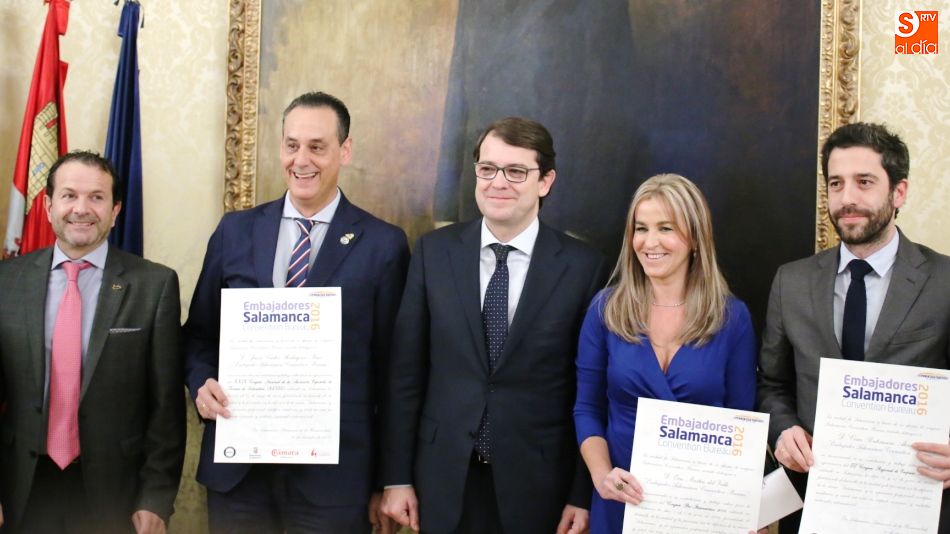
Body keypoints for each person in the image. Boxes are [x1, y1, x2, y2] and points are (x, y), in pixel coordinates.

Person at [184, 92, 409, 533]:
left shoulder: (384, 246)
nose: (301, 159)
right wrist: (200, 383)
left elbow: (394, 373)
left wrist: (388, 480)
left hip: (335, 481)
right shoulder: (235, 231)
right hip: (240, 475)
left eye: (317, 146)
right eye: (291, 145)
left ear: (345, 151)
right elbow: (198, 335)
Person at [380, 117, 608, 533]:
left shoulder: (583, 267)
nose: (497, 182)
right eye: (487, 169)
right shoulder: (434, 253)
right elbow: (405, 375)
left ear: (546, 181)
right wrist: (397, 477)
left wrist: (581, 492)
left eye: (516, 171)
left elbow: (589, 391)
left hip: (539, 488)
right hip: (442, 479)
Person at [758, 122, 950, 531]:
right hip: (815, 505)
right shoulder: (790, 282)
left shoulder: (945, 281)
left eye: (864, 182)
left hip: (915, 506)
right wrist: (783, 429)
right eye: (836, 183)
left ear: (899, 192)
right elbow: (771, 384)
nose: (847, 199)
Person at [0, 151, 185, 533]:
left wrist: (156, 497)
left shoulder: (154, 286)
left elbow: (165, 408)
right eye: (69, 196)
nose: (81, 209)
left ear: (115, 210)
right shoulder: (7, 282)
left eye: (96, 197)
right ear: (49, 205)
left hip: (114, 494)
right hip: (22, 486)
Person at [573, 173, 758, 533]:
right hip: (621, 501)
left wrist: (744, 508)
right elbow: (587, 408)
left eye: (666, 228)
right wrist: (601, 474)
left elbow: (743, 424)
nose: (649, 242)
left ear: (695, 239)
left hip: (703, 510)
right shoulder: (605, 309)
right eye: (641, 228)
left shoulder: (732, 317)